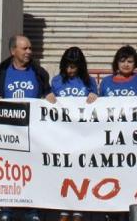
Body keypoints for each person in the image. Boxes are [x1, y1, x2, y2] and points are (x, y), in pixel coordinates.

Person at [0, 35, 54, 221]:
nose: (29, 52)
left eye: (30, 48)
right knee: (7, 171)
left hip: (32, 133)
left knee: (32, 171)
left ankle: (32, 210)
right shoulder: (0, 73)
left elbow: (47, 94)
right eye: (24, 49)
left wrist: (49, 97)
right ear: (13, 51)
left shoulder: (39, 73)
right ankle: (6, 208)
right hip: (7, 134)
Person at [50, 47, 96, 221]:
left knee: (80, 170)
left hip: (83, 134)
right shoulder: (56, 81)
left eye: (74, 67)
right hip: (62, 134)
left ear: (80, 67)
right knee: (64, 170)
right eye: (68, 66)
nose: (70, 70)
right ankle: (64, 207)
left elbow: (100, 105)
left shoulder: (89, 81)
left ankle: (79, 208)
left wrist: (95, 97)